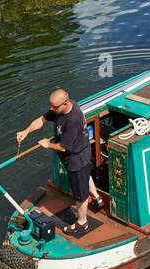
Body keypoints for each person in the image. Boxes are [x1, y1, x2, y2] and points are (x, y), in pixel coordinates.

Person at [16, 88, 102, 236]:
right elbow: (41, 120)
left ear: (65, 103)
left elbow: (63, 147)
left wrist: (47, 144)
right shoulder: (59, 110)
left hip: (77, 159)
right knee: (85, 176)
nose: (51, 109)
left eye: (54, 107)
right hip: (80, 151)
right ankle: (97, 197)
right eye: (51, 106)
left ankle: (82, 223)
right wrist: (26, 131)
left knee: (80, 195)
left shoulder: (73, 120)